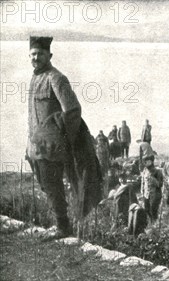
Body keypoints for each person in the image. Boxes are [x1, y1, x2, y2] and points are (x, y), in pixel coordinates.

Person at [26, 36, 102, 241]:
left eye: (40, 54)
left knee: (53, 185)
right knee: (46, 184)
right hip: (36, 145)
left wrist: (57, 134)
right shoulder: (35, 78)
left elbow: (73, 110)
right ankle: (60, 224)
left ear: (49, 55)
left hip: (52, 146)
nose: (36, 57)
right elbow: (34, 115)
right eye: (33, 54)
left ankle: (63, 226)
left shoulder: (56, 78)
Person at [140, 154, 163, 223]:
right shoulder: (145, 170)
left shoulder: (157, 171)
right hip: (146, 194)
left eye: (146, 161)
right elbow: (143, 182)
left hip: (155, 194)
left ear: (151, 162)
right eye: (144, 162)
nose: (145, 163)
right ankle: (151, 223)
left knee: (153, 210)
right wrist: (142, 192)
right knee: (146, 210)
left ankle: (155, 224)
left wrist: (153, 179)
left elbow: (160, 184)